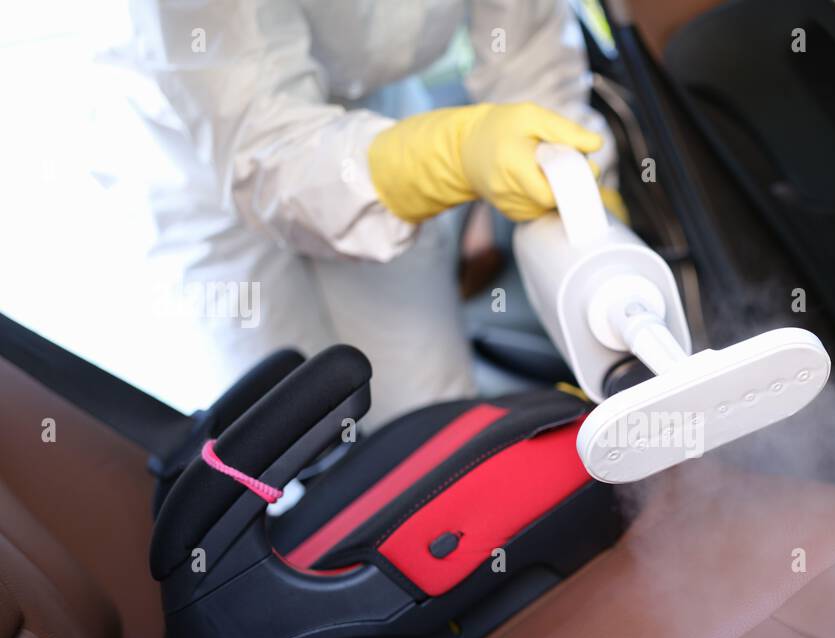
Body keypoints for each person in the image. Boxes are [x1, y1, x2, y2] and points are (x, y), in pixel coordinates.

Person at [115, 0, 617, 423]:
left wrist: (582, 196)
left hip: (375, 115)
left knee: (433, 414)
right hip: (202, 152)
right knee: (278, 430)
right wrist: (450, 158)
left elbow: (530, 55)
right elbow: (266, 152)